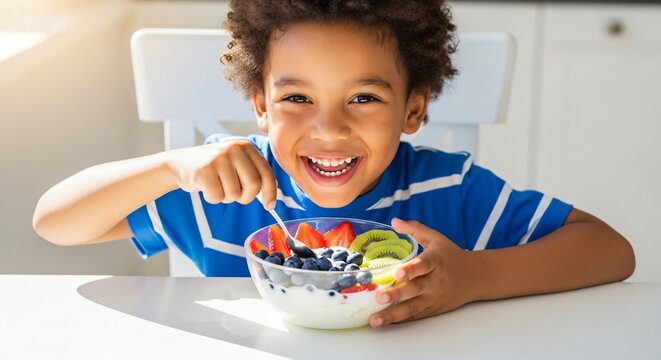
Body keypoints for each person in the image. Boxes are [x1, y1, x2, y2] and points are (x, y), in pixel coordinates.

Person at [33, 0, 635, 328]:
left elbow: (610, 250)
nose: (329, 128)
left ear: (414, 109)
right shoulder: (222, 189)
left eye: (364, 98)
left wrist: (474, 279)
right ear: (260, 108)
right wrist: (168, 166)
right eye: (297, 99)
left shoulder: (447, 188)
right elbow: (54, 223)